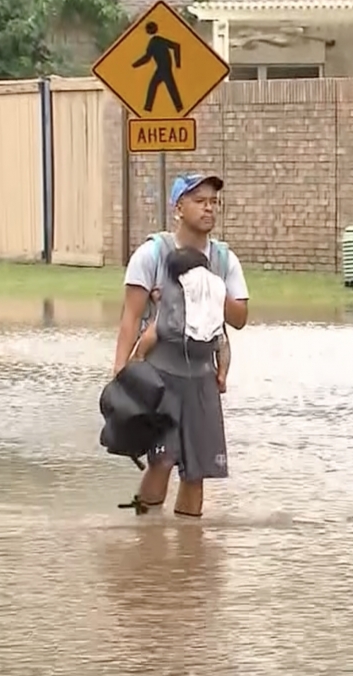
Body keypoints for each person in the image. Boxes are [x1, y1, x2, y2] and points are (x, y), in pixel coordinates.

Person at [111, 173, 248, 518]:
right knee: (162, 460)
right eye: (199, 200)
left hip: (202, 377)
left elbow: (240, 317)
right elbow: (131, 317)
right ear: (178, 208)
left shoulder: (223, 260)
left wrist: (211, 289)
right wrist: (120, 371)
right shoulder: (152, 254)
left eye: (213, 202)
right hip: (159, 375)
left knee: (197, 470)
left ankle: (189, 549)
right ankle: (144, 536)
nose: (208, 208)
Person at [131, 246, 233, 394]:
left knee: (154, 327)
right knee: (222, 339)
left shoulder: (174, 288)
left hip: (175, 336)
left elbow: (159, 297)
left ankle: (138, 357)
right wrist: (221, 373)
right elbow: (222, 342)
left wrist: (156, 297)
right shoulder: (212, 289)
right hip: (206, 342)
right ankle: (222, 375)